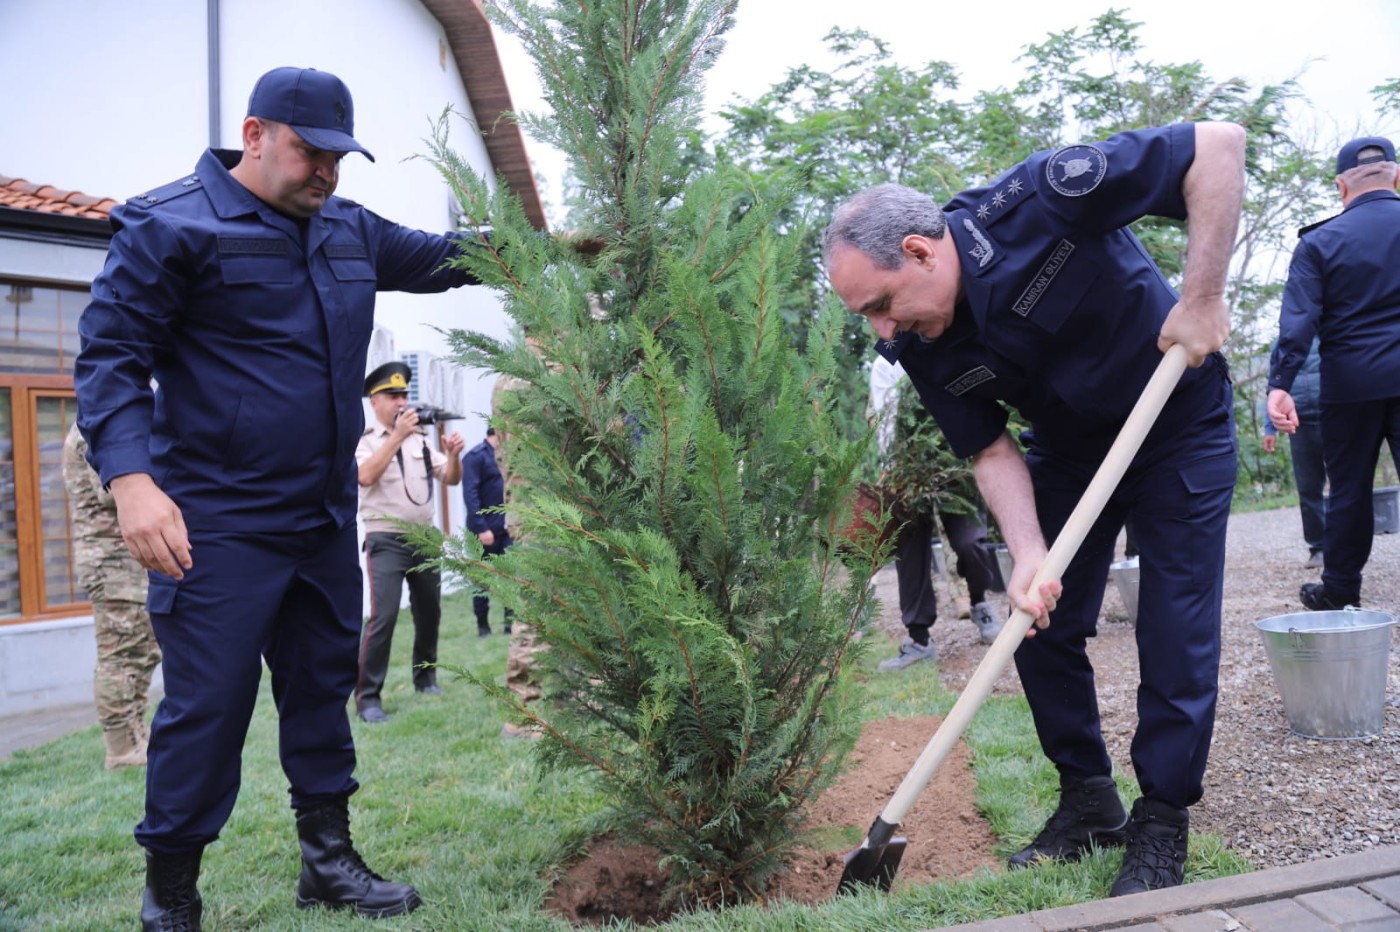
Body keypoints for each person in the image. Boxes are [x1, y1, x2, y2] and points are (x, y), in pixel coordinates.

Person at [73, 66, 497, 928]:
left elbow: (441, 256)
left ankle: (328, 864)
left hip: (321, 519)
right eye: (310, 153)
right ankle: (172, 896)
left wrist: (544, 246)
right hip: (215, 522)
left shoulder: (347, 229)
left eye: (341, 158)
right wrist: (131, 479)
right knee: (210, 707)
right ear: (256, 133)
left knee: (317, 692)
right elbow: (110, 360)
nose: (327, 173)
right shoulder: (170, 225)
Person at [823, 121, 1245, 897]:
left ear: (921, 250)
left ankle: (1160, 823)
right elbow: (990, 450)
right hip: (1069, 448)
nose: (884, 330)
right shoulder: (921, 345)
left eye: (882, 304)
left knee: (1174, 623)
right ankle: (1088, 799)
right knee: (1036, 618)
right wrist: (1027, 554)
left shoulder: (1040, 200)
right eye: (868, 318)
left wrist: (1203, 295)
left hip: (1176, 421)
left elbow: (1217, 145)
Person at [1268, 136, 1400, 611]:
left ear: (1341, 187)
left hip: (1350, 385)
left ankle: (1341, 589)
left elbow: (1297, 323)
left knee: (1348, 492)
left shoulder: (1319, 242)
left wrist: (1279, 385)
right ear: (1397, 177)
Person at [868, 356, 1003, 671]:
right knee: (910, 553)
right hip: (908, 470)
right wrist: (893, 468)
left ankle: (979, 602)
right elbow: (887, 419)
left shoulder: (944, 348)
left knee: (972, 542)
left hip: (955, 464)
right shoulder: (885, 364)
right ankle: (918, 638)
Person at [354, 361, 464, 723]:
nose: (401, 402)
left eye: (404, 395)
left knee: (429, 612)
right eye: (393, 396)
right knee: (383, 618)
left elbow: (449, 479)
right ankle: (368, 698)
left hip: (424, 538)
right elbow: (365, 477)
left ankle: (426, 679)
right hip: (385, 539)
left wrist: (453, 456)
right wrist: (397, 437)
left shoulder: (418, 440)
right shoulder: (364, 439)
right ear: (375, 401)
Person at [61, 421, 162, 770]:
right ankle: (120, 749)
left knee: (143, 651)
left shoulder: (105, 426)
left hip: (129, 563)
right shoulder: (94, 430)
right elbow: (112, 489)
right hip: (111, 563)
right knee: (119, 657)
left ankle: (137, 734)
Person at [1262, 337, 1326, 568]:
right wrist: (1270, 427)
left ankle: (1344, 546)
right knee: (1308, 488)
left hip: (1334, 415)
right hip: (1297, 423)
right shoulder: (1282, 344)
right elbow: (1273, 385)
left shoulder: (1331, 330)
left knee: (1346, 486)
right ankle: (1318, 547)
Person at [461, 425, 513, 637]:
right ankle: (483, 625)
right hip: (483, 531)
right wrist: (481, 528)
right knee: (482, 579)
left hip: (506, 528)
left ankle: (510, 623)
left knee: (512, 576)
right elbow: (470, 496)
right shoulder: (475, 457)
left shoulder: (508, 455)